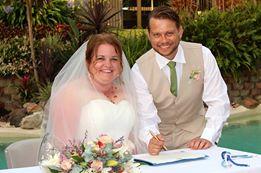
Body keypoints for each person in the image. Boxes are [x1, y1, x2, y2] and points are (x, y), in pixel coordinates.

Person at [131, 6, 230, 155]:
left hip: (198, 140)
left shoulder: (203, 54)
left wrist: (207, 137)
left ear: (180, 31)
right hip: (160, 147)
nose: (163, 40)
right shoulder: (139, 69)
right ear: (149, 35)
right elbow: (145, 116)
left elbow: (218, 101)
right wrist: (150, 140)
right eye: (157, 34)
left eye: (169, 33)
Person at [40, 33, 145, 155]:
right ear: (87, 62)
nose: (108, 65)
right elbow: (61, 145)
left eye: (114, 59)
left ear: (121, 64)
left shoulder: (129, 92)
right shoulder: (70, 93)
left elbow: (133, 138)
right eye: (100, 58)